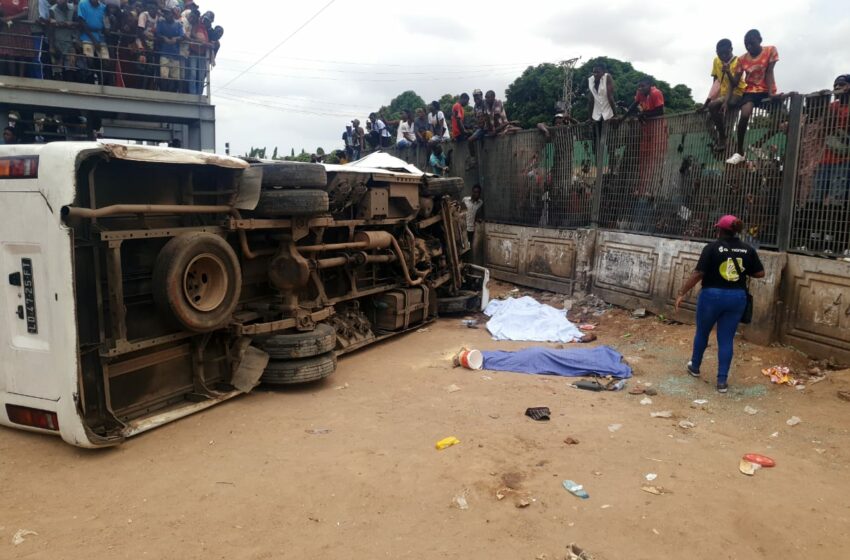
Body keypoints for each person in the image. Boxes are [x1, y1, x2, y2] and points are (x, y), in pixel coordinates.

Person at [675, 215, 765, 393]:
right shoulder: (748, 250)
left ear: (720, 230)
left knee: (703, 332)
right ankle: (722, 381)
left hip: (711, 296)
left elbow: (698, 273)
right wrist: (743, 271)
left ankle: (695, 367)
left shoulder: (711, 248)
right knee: (726, 339)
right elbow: (760, 273)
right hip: (737, 298)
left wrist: (681, 292)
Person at [726, 30, 779, 165]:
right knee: (744, 114)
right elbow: (736, 82)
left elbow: (769, 72)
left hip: (766, 90)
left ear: (759, 40)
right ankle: (740, 152)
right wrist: (728, 73)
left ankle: (758, 144)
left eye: (751, 43)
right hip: (750, 91)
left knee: (781, 119)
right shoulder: (742, 59)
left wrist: (772, 93)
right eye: (746, 45)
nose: (749, 47)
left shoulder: (770, 51)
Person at [701, 39, 746, 154]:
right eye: (720, 54)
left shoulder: (738, 61)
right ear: (716, 52)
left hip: (737, 92)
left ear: (731, 49)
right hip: (723, 94)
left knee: (728, 106)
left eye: (726, 53)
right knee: (709, 115)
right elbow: (716, 81)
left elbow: (734, 84)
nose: (723, 56)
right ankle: (721, 138)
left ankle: (724, 139)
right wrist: (710, 99)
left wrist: (727, 72)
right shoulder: (716, 61)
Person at [626, 78, 667, 197]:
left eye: (643, 86)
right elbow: (633, 106)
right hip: (647, 132)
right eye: (639, 86)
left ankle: (654, 190)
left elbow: (660, 111)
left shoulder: (656, 93)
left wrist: (643, 114)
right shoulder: (640, 93)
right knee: (643, 159)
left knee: (655, 160)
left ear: (649, 85)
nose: (640, 89)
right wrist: (622, 118)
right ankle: (642, 189)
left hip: (658, 131)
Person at [76, 0, 111, 84]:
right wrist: (94, 40)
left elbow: (106, 25)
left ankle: (102, 82)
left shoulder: (103, 7)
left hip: (100, 37)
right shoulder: (82, 3)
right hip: (86, 36)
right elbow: (82, 22)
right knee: (89, 59)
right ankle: (91, 81)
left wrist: (107, 27)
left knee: (106, 61)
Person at [587, 62, 616, 154]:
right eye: (594, 72)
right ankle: (597, 164)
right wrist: (589, 117)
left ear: (603, 72)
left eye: (597, 72)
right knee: (596, 141)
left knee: (610, 141)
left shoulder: (607, 77)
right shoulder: (591, 80)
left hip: (608, 112)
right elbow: (591, 99)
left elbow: (610, 96)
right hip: (597, 113)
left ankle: (612, 161)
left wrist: (615, 115)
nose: (595, 74)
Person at [48, 0, 80, 82]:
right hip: (57, 43)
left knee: (70, 69)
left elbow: (79, 24)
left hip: (70, 43)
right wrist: (51, 46)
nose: (60, 1)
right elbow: (50, 29)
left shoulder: (73, 8)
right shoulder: (52, 10)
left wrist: (70, 24)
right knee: (57, 70)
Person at [155, 7, 183, 92]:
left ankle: (173, 94)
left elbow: (182, 36)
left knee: (175, 77)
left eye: (168, 13)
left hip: (175, 55)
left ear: (172, 14)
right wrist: (164, 38)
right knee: (164, 76)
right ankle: (164, 93)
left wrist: (176, 39)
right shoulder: (161, 23)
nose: (166, 15)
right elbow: (157, 34)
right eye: (165, 13)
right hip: (164, 53)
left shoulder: (178, 24)